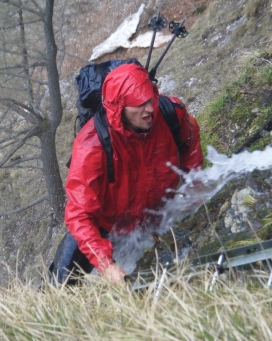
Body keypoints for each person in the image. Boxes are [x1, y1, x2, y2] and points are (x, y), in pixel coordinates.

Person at [49, 63, 203, 284]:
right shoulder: (91, 146)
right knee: (61, 281)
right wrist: (106, 265)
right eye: (139, 105)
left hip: (156, 213)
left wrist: (194, 185)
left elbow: (190, 142)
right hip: (107, 222)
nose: (149, 109)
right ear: (118, 108)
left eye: (151, 99)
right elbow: (79, 214)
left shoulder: (170, 113)